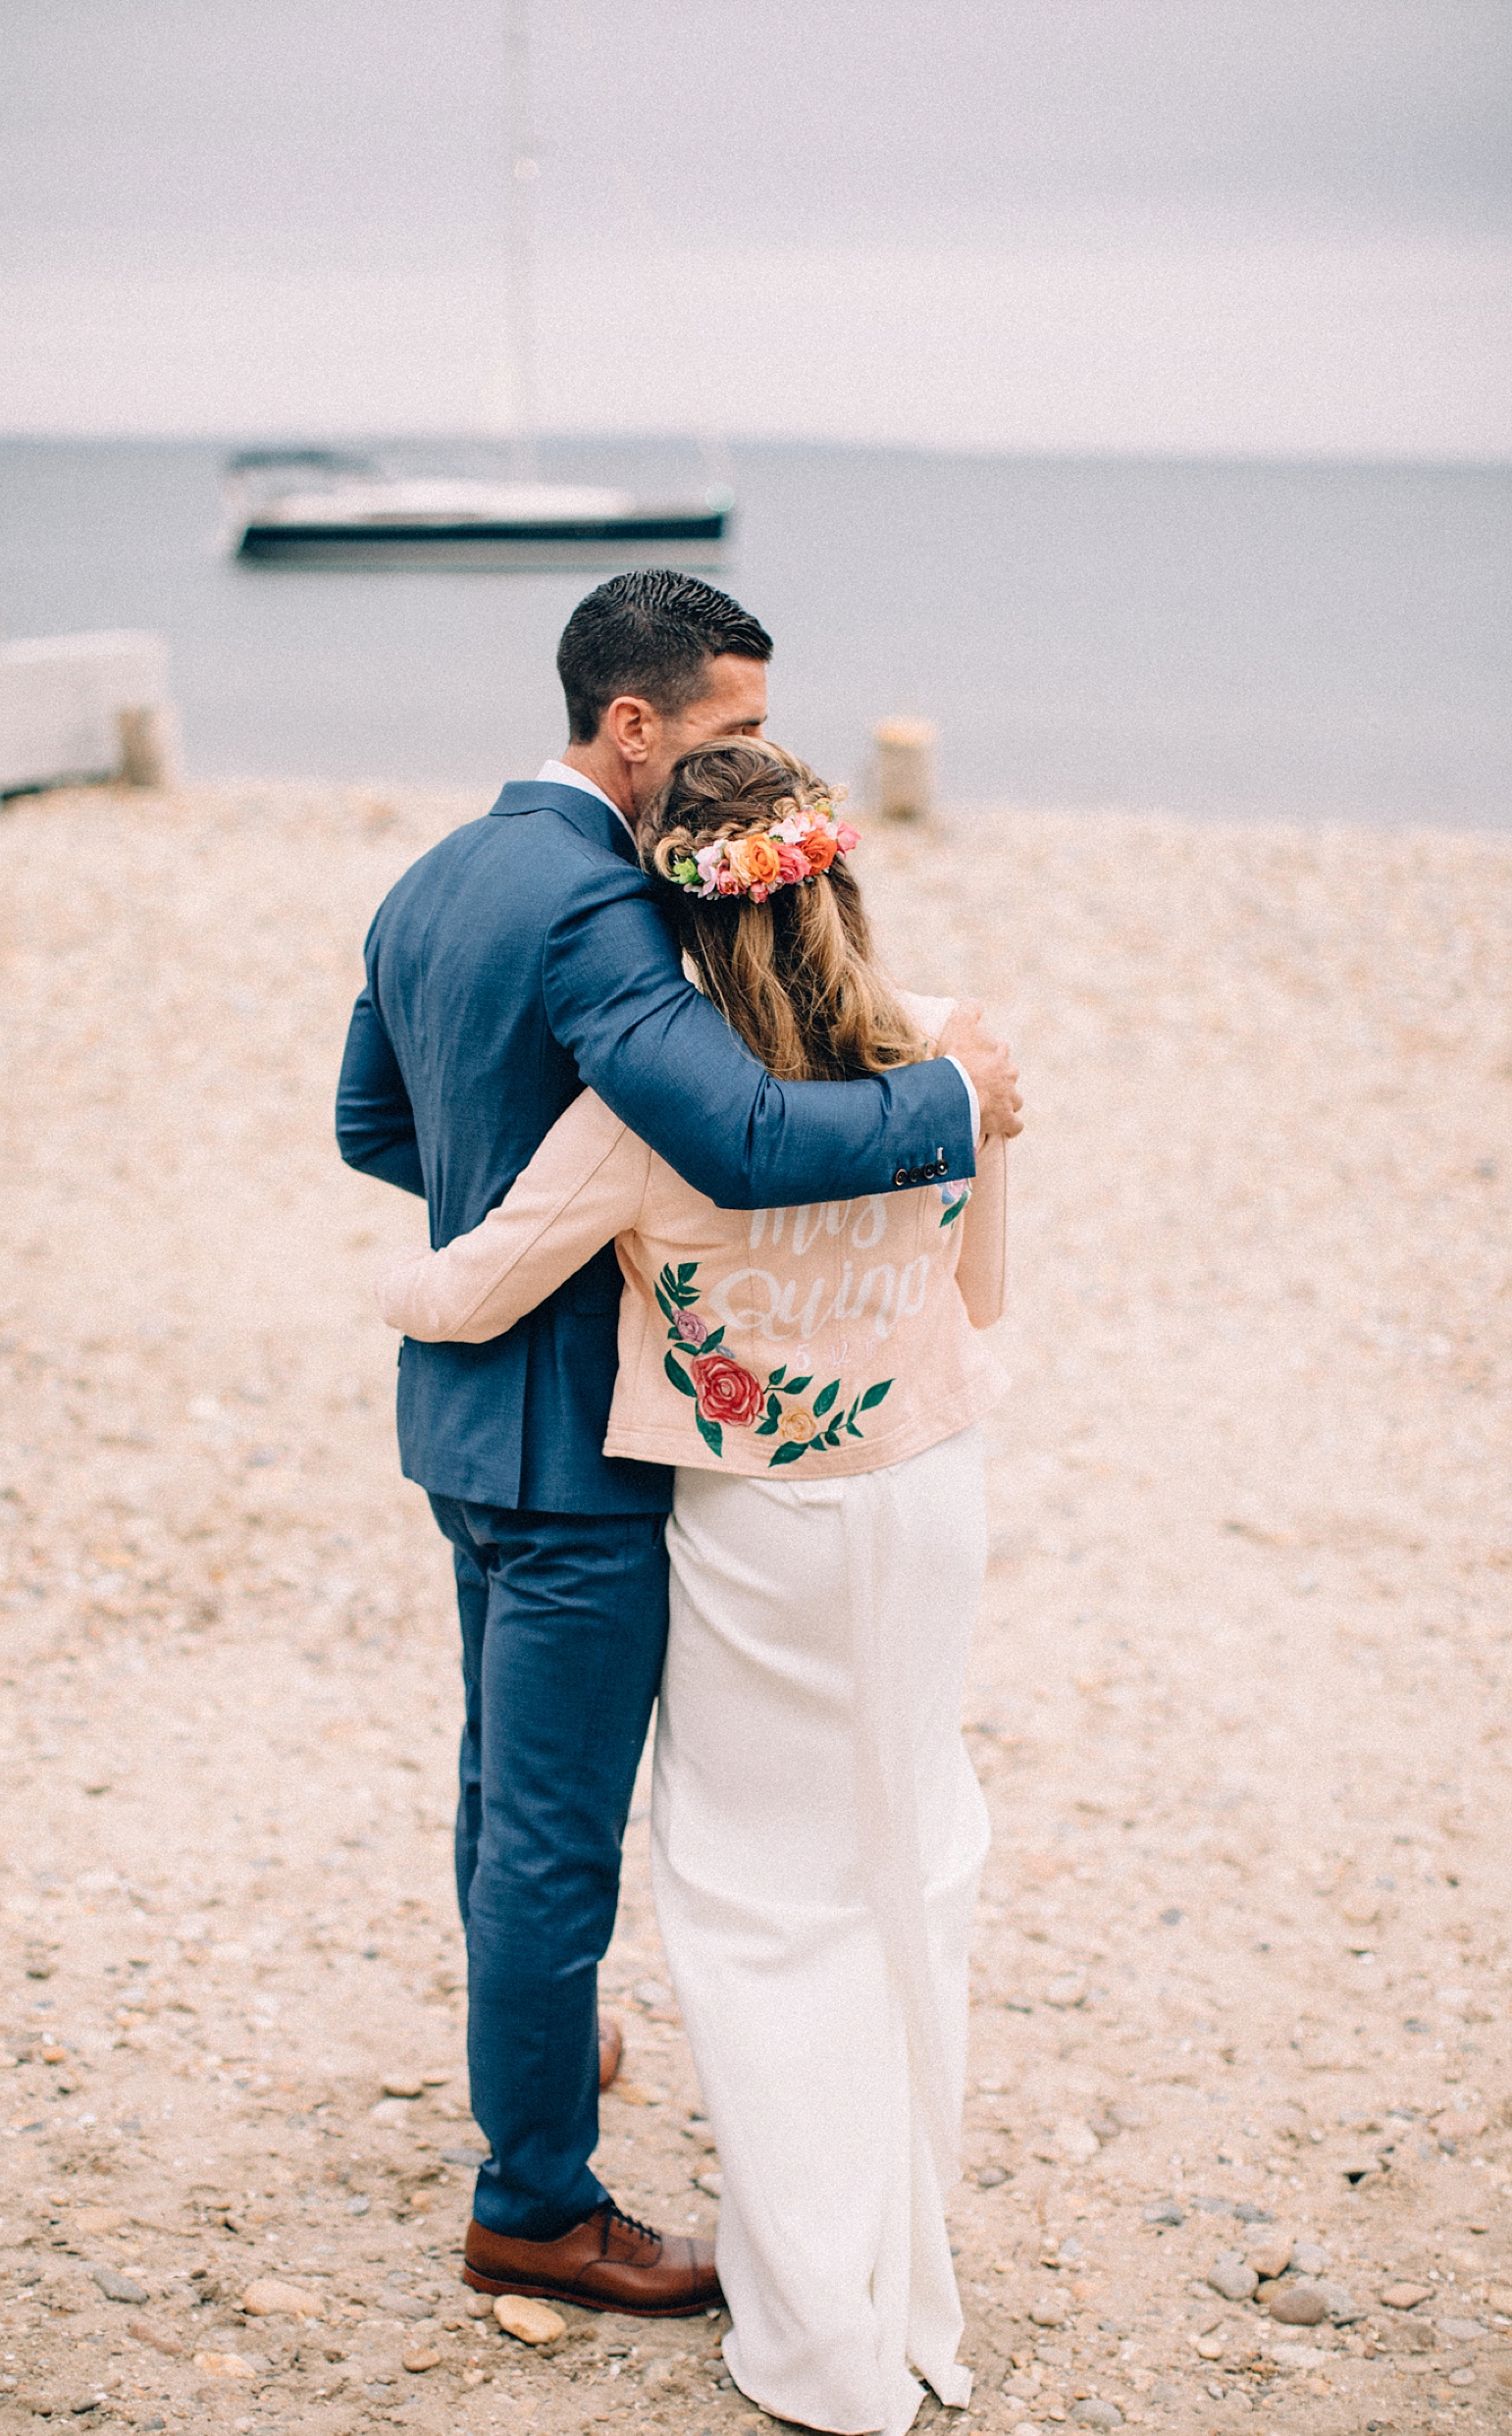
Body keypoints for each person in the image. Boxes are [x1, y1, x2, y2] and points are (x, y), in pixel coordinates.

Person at [338, 572, 1021, 2325]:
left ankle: (542, 2049)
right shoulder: (600, 909)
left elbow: (369, 1123)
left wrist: (510, 1201)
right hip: (578, 1443)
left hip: (465, 1431)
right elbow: (731, 1140)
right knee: (554, 1838)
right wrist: (956, 1099)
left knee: (504, 1790)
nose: (753, 774)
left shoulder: (434, 877)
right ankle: (537, 2205)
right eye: (728, 736)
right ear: (630, 728)